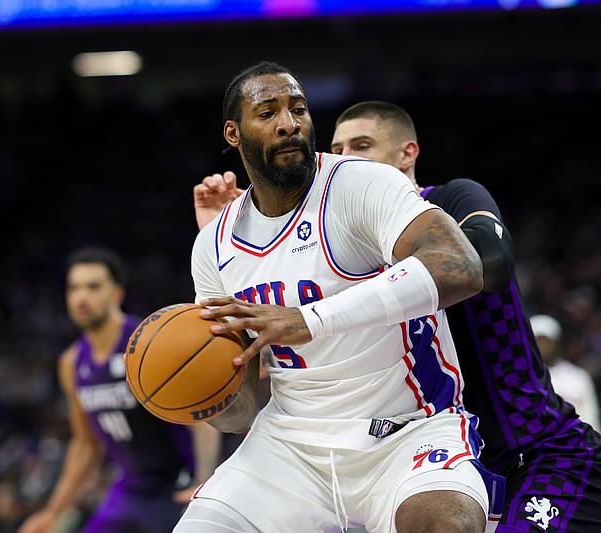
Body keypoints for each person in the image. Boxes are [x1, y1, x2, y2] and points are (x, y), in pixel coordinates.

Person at [195, 100, 601, 531]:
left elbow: (488, 265)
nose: (345, 159)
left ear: (407, 154)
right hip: (447, 464)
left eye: (361, 145)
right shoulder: (338, 239)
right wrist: (249, 234)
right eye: (338, 148)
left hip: (535, 457)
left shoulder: (450, 199)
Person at [176, 61, 504, 533]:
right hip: (288, 447)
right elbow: (240, 409)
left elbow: (461, 266)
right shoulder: (212, 244)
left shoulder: (358, 183)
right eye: (267, 113)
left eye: (299, 109)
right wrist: (196, 390)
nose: (289, 123)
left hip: (407, 433)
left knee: (446, 526)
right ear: (233, 133)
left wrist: (308, 320)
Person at [19, 247, 222, 533]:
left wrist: (202, 485)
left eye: (93, 287)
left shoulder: (147, 342)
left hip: (177, 482)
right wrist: (53, 512)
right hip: (131, 488)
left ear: (116, 294)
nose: (82, 296)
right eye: (74, 288)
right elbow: (86, 443)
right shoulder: (71, 361)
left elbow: (202, 419)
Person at [531, 313, 601, 433]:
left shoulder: (578, 376)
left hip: (578, 443)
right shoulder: (525, 378)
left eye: (546, 341)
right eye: (538, 341)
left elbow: (592, 418)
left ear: (557, 342)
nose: (542, 346)